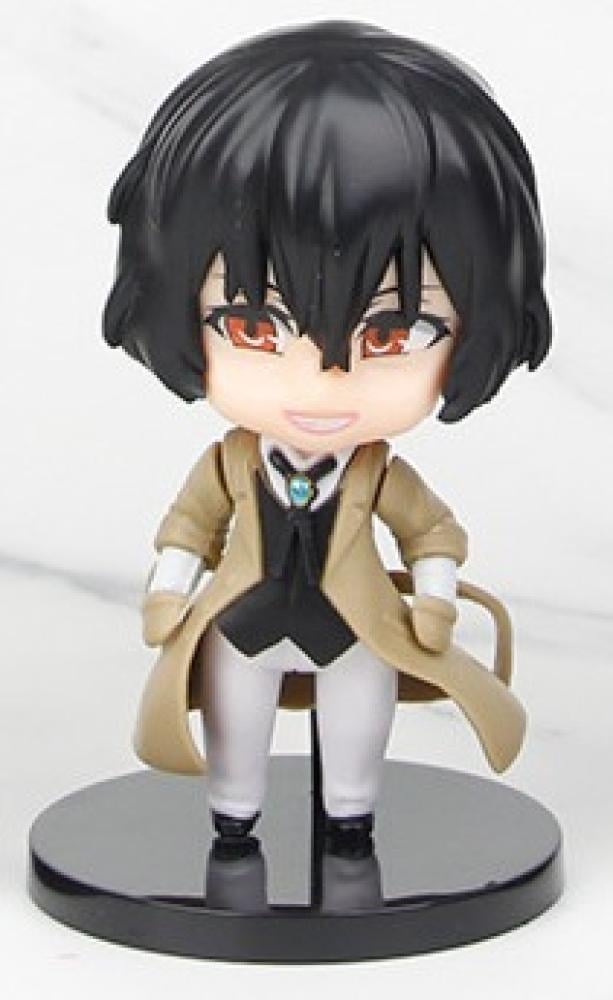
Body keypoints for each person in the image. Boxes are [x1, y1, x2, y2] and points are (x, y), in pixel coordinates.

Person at [103, 22, 551, 852]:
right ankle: (233, 814)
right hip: (242, 627)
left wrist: (435, 599)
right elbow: (189, 528)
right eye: (252, 325)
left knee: (355, 726)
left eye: (391, 333)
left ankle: (350, 817)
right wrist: (169, 589)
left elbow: (430, 534)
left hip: (357, 631)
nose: (319, 384)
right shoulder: (230, 465)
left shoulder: (378, 475)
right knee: (235, 725)